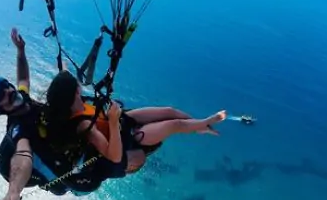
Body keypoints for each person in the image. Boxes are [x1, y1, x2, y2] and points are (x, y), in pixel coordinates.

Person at [0, 28, 126, 200]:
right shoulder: (18, 128)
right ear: (1, 110)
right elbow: (22, 157)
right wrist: (13, 192)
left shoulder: (23, 98)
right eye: (3, 96)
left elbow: (23, 78)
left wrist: (21, 51)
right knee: (133, 157)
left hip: (74, 143)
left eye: (7, 87)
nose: (9, 91)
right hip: (76, 170)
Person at [45, 70, 227, 176]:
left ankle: (199, 127)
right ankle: (205, 123)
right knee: (173, 125)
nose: (80, 86)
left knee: (169, 111)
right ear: (74, 93)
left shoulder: (74, 104)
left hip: (123, 120)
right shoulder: (82, 125)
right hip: (126, 140)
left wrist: (116, 119)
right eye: (77, 86)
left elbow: (63, 77)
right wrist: (114, 122)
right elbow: (113, 156)